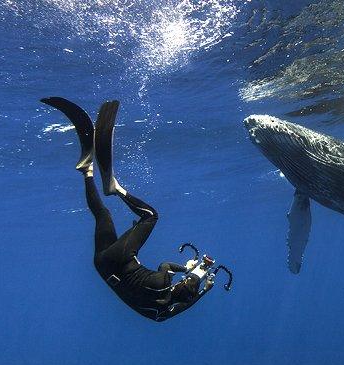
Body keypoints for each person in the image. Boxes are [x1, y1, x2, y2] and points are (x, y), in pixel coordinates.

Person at [41, 97, 214, 322]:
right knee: (103, 215)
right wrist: (200, 291)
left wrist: (187, 269)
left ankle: (115, 188)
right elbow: (180, 306)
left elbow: (166, 266)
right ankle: (86, 171)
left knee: (150, 217)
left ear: (179, 286)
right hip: (103, 267)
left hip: (119, 260)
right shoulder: (159, 314)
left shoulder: (163, 284)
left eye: (183, 282)